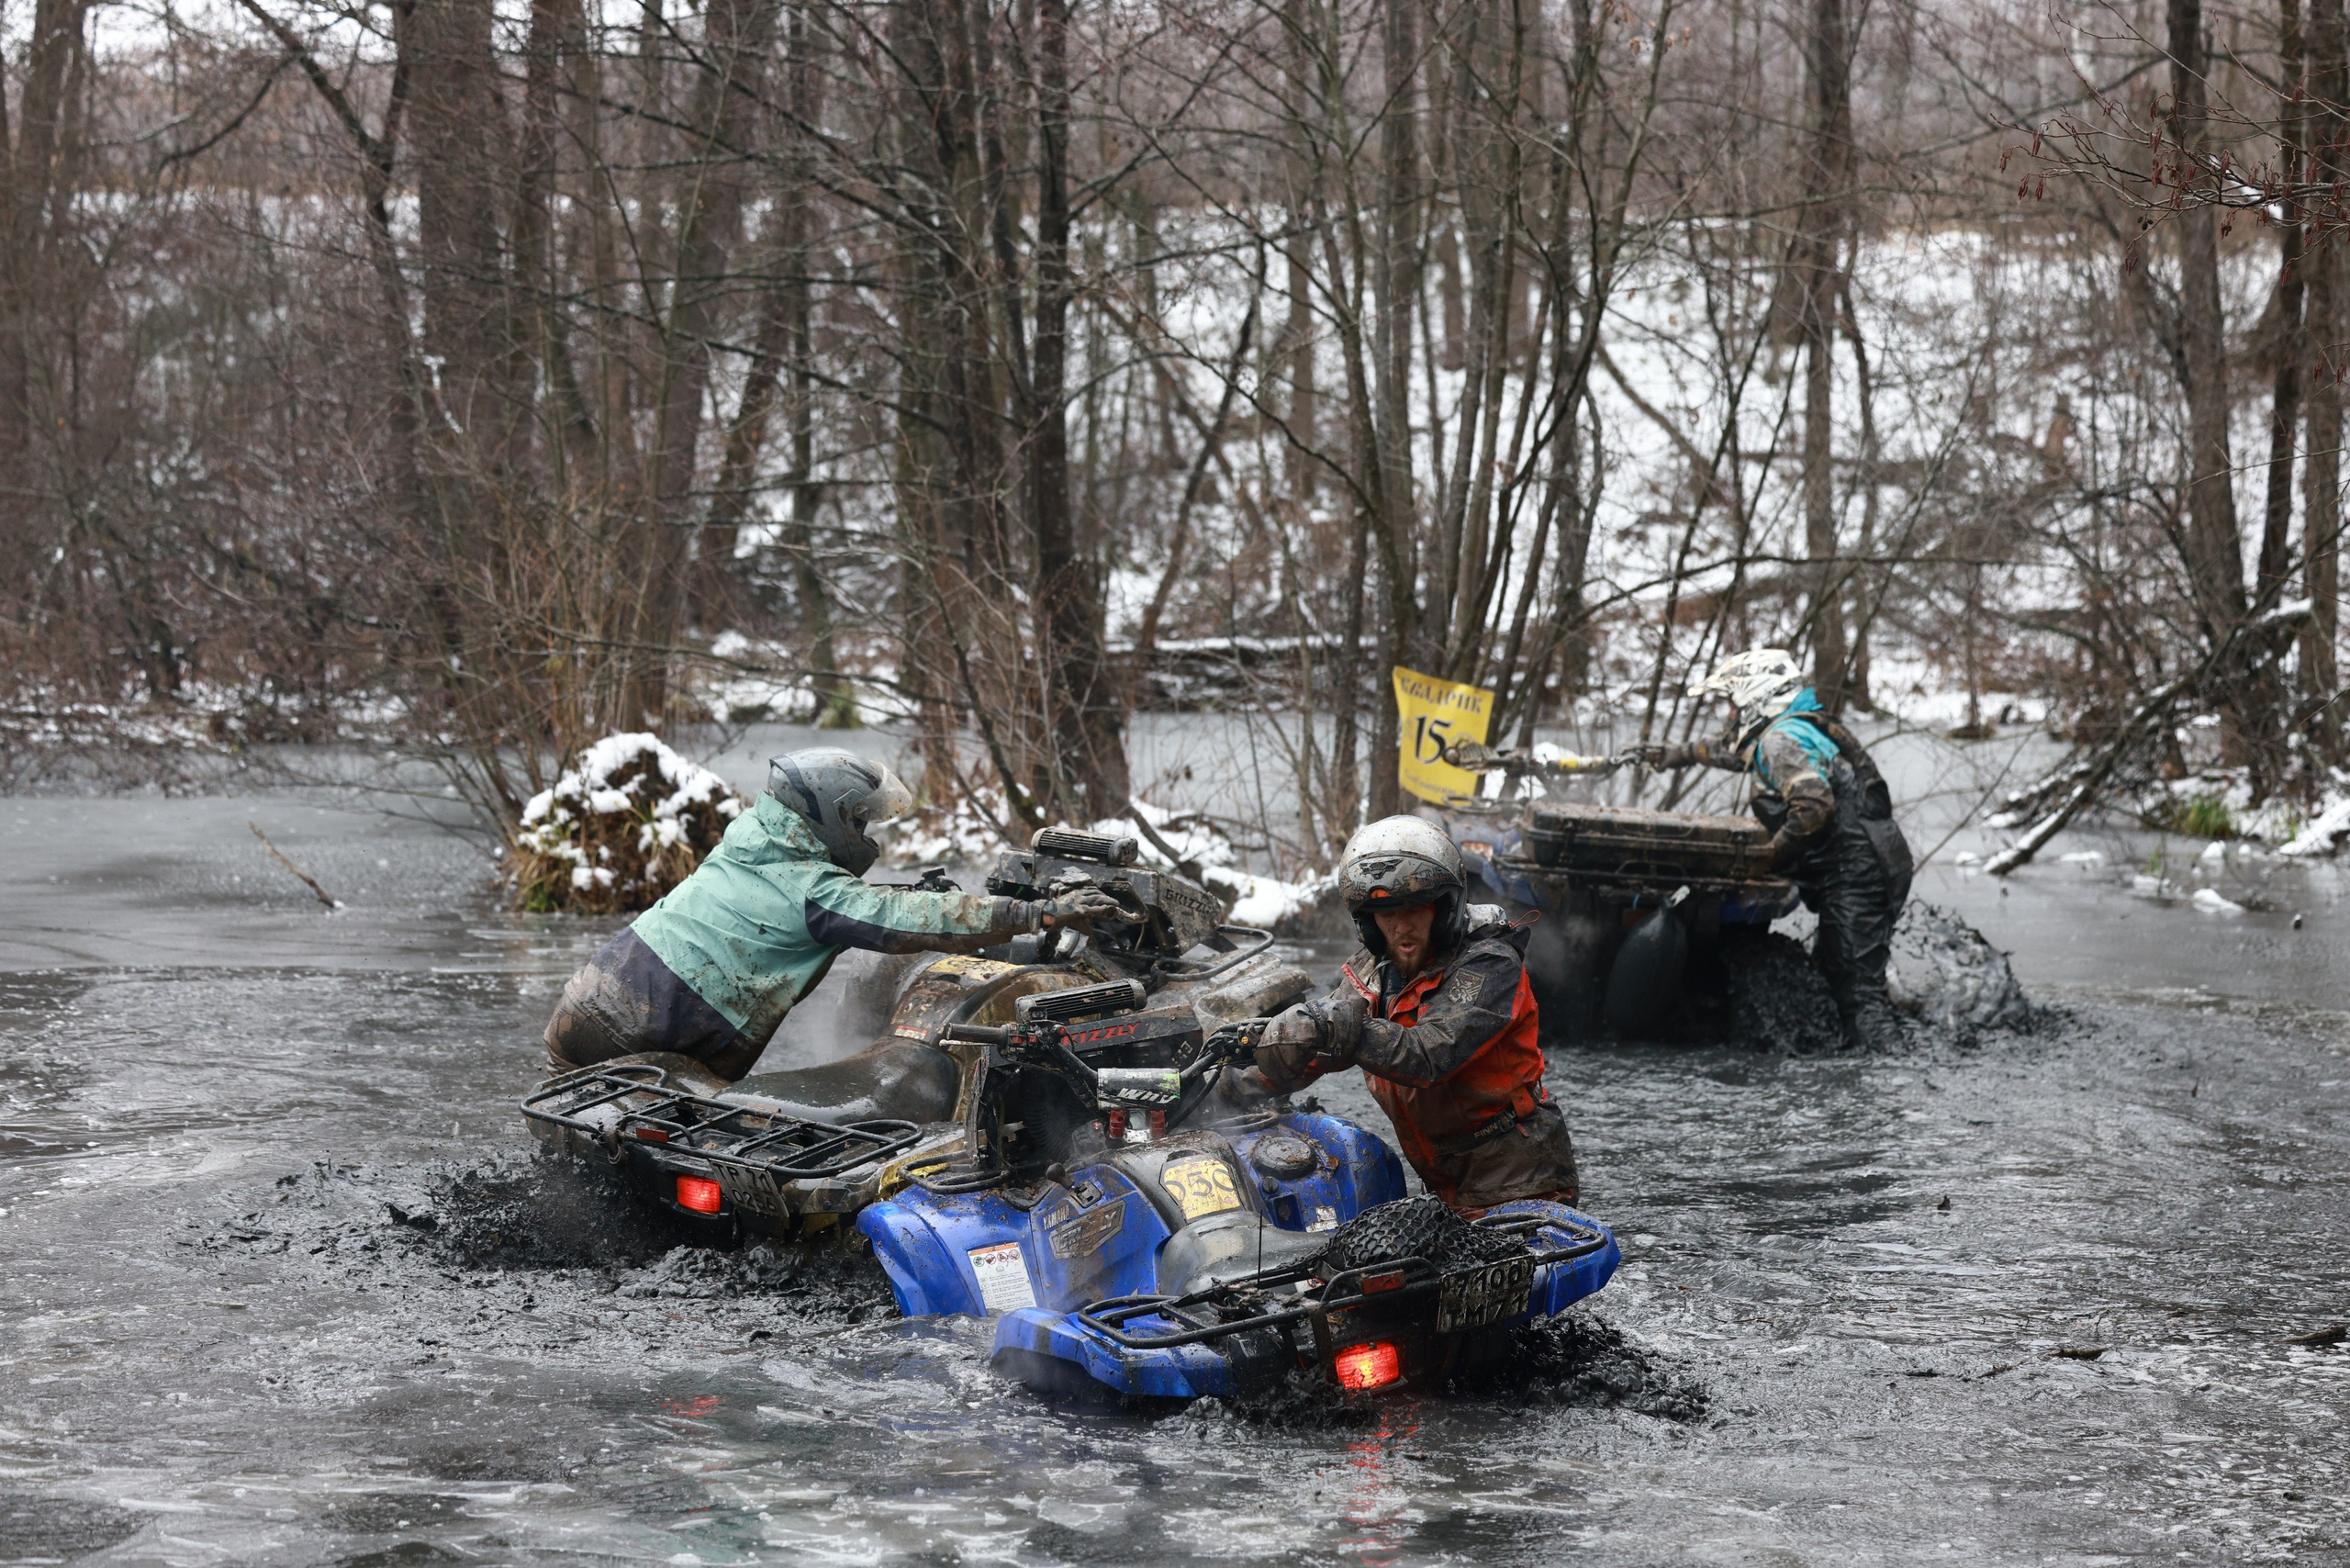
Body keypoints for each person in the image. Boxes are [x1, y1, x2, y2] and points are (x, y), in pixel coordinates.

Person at [543, 747, 1122, 1081]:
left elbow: (834, 900)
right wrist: (1041, 914)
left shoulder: (753, 840)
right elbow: (895, 918)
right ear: (828, 816)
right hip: (648, 1030)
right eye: (861, 820)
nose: (866, 832)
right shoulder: (812, 891)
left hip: (589, 1002)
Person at [1243, 816, 1579, 1216]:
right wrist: (1229, 1086)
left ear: (1444, 908)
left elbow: (1428, 1054)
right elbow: (1314, 1048)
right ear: (1367, 919)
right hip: (1446, 1185)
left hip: (1520, 1184)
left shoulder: (1490, 965)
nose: (1401, 926)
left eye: (1415, 909)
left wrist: (1330, 1025)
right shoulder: (1372, 971)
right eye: (1385, 912)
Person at [1632, 647, 1915, 1049]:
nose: (1730, 715)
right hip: (1871, 862)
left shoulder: (1780, 740)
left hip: (1860, 872)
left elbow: (1814, 808)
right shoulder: (1790, 729)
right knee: (1842, 973)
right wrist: (1676, 754)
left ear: (1756, 697)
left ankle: (1887, 1075)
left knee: (1857, 993)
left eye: (1733, 704)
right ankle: (1859, 1059)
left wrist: (1765, 859)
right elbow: (1734, 750)